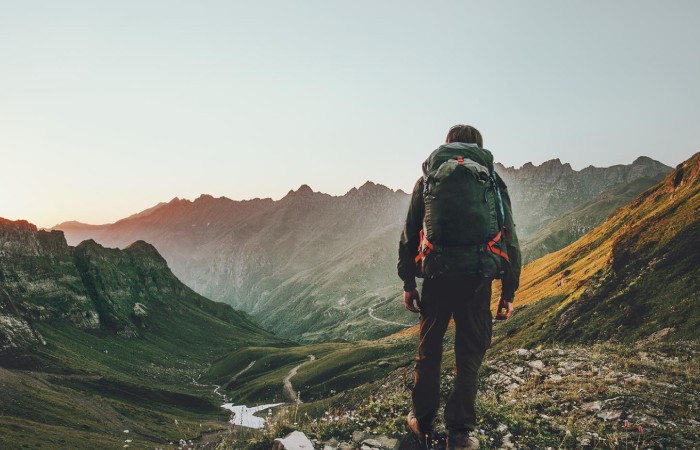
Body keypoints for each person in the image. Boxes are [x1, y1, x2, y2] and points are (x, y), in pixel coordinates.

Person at [397, 125, 521, 450]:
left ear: (447, 145)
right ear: (479, 147)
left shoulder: (428, 180)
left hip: (437, 277)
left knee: (429, 350)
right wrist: (508, 292)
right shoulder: (492, 181)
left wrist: (409, 283)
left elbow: (410, 235)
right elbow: (510, 238)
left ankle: (422, 421)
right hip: (477, 280)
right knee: (469, 353)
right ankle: (459, 434)